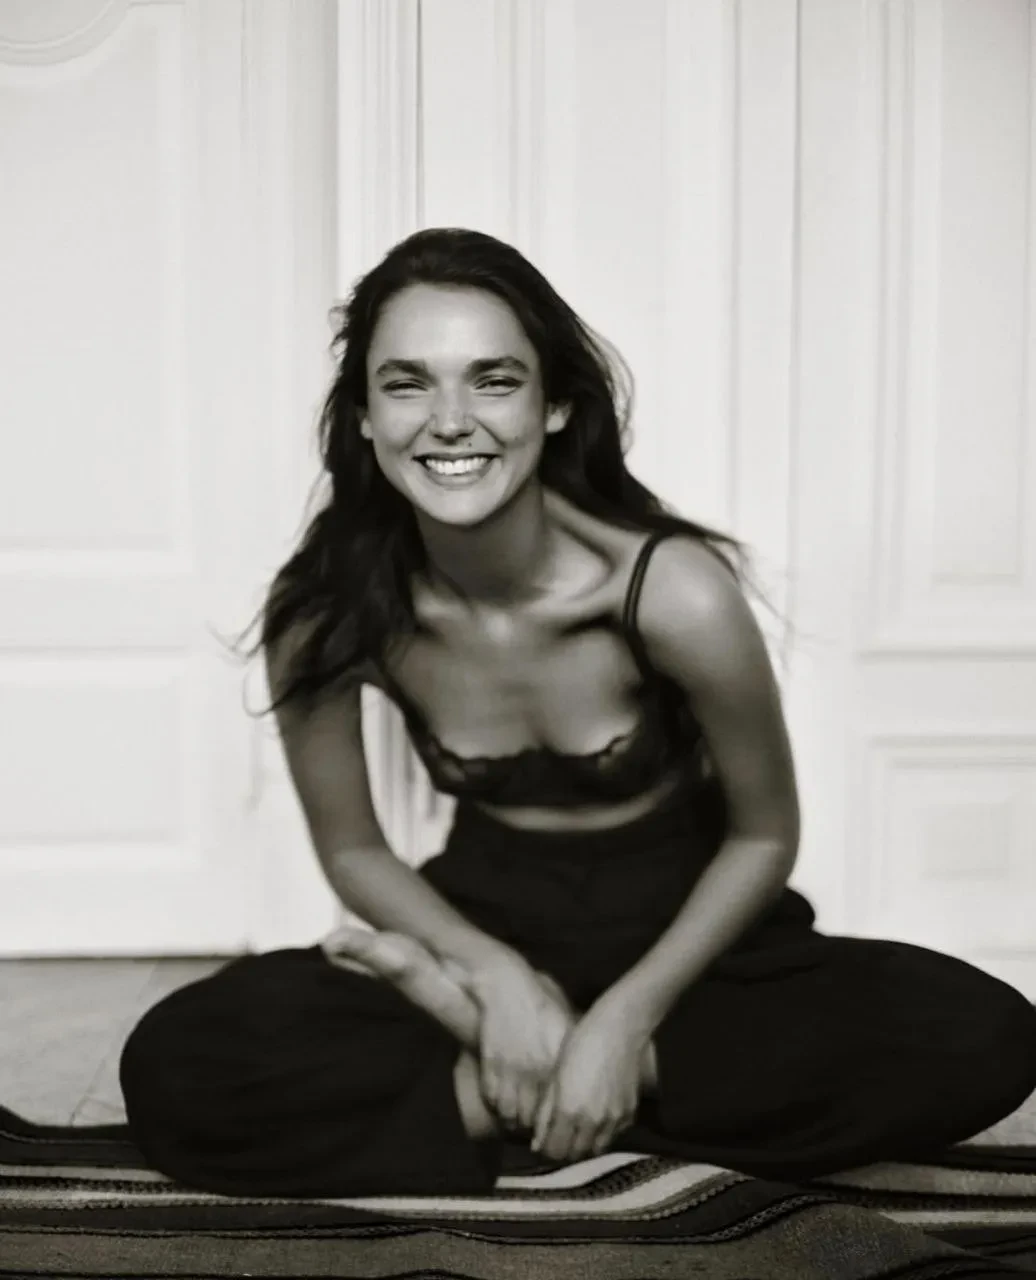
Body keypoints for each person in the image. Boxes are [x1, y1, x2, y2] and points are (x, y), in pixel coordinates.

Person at [118, 227, 1036, 1199]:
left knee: (982, 1033)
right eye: (407, 384)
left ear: (553, 404)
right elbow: (354, 851)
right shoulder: (324, 609)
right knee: (176, 1064)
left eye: (494, 381)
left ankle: (520, 1090)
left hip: (691, 939)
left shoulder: (671, 591)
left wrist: (624, 1023)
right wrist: (494, 980)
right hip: (482, 919)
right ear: (364, 416)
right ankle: (575, 1082)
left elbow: (763, 835)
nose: (450, 420)